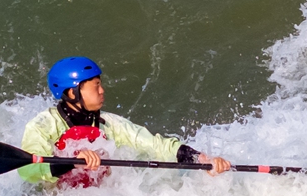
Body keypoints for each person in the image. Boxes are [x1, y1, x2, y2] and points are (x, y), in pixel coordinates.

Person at [19, 56, 231, 186]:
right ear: (72, 93)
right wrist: (70, 161)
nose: (102, 91)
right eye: (95, 86)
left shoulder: (109, 124)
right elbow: (27, 170)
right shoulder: (43, 125)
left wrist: (201, 159)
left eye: (101, 84)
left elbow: (155, 145)